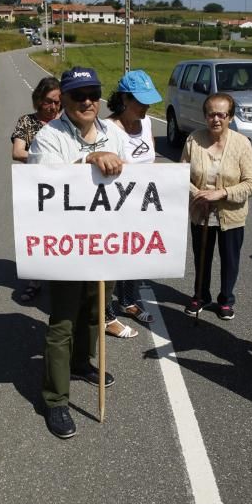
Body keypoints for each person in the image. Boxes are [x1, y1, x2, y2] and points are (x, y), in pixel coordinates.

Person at [28, 66, 126, 439]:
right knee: (63, 321)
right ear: (63, 100)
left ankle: (82, 362)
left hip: (106, 241)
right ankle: (55, 400)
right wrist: (85, 161)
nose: (87, 101)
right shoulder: (49, 137)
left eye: (92, 94)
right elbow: (41, 183)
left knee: (95, 308)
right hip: (67, 245)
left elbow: (130, 177)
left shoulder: (112, 132)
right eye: (77, 96)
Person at [181, 92, 252, 321]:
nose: (216, 119)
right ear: (205, 116)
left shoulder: (242, 144)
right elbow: (182, 174)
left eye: (221, 115)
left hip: (231, 215)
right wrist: (200, 195)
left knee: (230, 259)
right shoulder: (193, 140)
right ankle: (200, 295)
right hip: (200, 211)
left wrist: (221, 193)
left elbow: (251, 185)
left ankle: (226, 299)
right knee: (201, 256)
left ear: (230, 117)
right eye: (211, 114)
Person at [103, 69, 163, 333]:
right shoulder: (107, 128)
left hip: (142, 204)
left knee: (135, 257)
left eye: (148, 100)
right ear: (125, 99)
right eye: (140, 101)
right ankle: (105, 314)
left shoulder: (147, 122)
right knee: (111, 261)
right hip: (115, 207)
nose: (146, 106)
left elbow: (151, 159)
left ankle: (128, 302)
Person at [10, 77, 60, 303]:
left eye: (58, 102)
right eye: (49, 102)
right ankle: (35, 279)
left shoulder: (66, 121)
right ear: (39, 100)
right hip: (36, 187)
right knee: (37, 234)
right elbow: (18, 152)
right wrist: (47, 159)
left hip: (64, 188)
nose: (53, 107)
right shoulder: (27, 122)